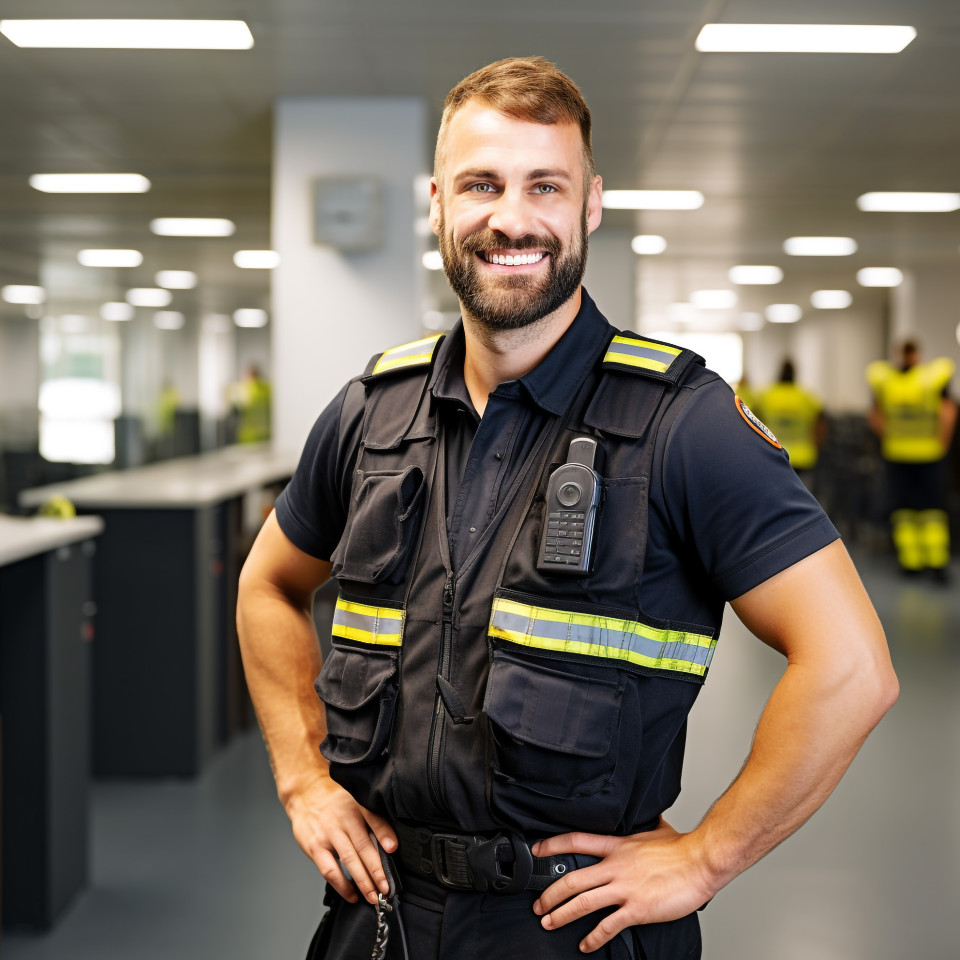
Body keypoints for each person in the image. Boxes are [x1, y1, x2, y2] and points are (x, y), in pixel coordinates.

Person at [237, 57, 898, 959]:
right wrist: (303, 780)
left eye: (545, 185)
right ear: (436, 203)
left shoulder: (683, 423)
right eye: (481, 184)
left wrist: (707, 856)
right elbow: (268, 586)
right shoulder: (371, 411)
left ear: (590, 204)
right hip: (381, 914)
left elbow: (852, 666)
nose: (512, 218)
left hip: (571, 926)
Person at [867, 339, 957, 581]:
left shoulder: (885, 380)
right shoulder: (932, 378)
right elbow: (948, 413)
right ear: (917, 354)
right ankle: (936, 562)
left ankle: (910, 563)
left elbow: (875, 417)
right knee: (932, 510)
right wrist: (942, 444)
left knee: (904, 510)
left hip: (897, 454)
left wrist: (890, 438)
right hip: (930, 455)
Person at [755, 358, 826, 482]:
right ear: (794, 373)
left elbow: (754, 420)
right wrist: (818, 445)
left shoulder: (766, 395)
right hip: (803, 458)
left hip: (774, 454)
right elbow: (820, 423)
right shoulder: (806, 397)